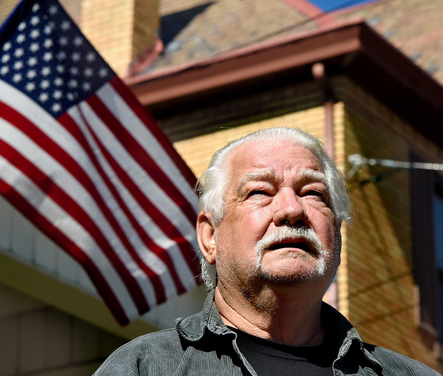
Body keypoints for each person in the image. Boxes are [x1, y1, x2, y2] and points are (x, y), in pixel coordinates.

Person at [94, 127, 441, 375]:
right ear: (210, 236)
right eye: (260, 191)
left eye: (313, 193)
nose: (292, 209)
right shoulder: (145, 367)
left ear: (336, 231)